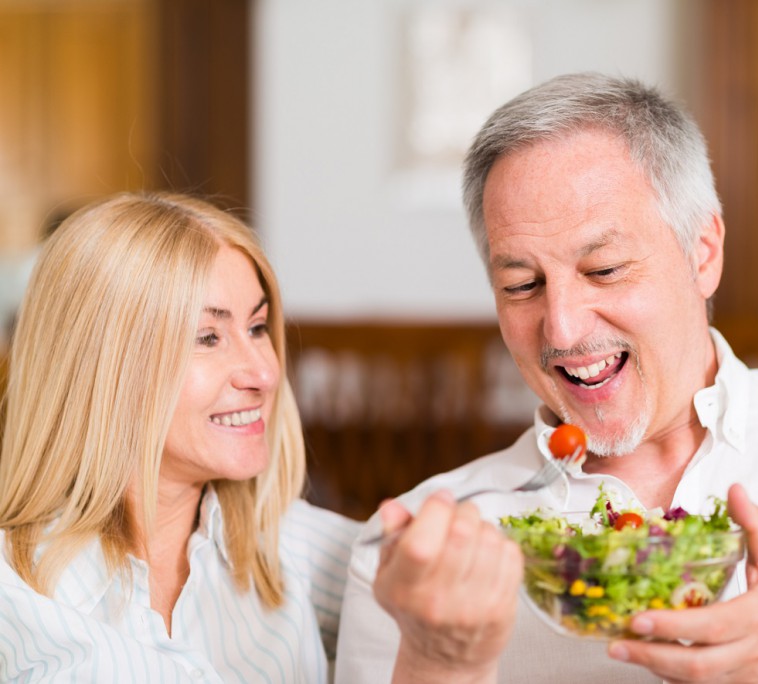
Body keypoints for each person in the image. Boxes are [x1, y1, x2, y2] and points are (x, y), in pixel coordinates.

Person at [338, 72, 758, 683]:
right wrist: (439, 664)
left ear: (703, 254)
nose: (564, 328)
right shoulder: (412, 561)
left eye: (604, 270)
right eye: (522, 284)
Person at [0, 191, 520, 682]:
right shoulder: (15, 590)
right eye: (208, 337)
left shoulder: (309, 555)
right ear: (100, 366)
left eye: (257, 328)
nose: (264, 373)